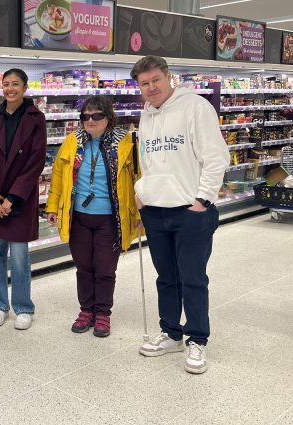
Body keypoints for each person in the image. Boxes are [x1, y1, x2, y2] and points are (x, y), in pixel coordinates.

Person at [131, 55, 229, 374]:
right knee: (166, 277)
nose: (151, 88)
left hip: (190, 211)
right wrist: (142, 194)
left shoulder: (196, 108)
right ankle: (171, 332)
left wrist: (202, 201)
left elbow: (216, 158)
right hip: (155, 209)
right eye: (144, 83)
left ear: (168, 77)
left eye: (155, 80)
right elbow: (148, 160)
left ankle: (197, 339)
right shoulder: (146, 115)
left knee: (193, 278)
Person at [46, 95, 141, 338]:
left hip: (110, 218)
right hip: (78, 216)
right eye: (85, 116)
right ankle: (86, 310)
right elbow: (59, 175)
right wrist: (53, 206)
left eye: (96, 115)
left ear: (109, 118)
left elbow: (138, 179)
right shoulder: (72, 141)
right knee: (84, 268)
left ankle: (103, 314)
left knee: (105, 269)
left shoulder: (126, 142)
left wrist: (141, 213)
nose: (90, 120)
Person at [0, 68, 47, 330]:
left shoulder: (36, 118)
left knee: (19, 256)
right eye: (6, 84)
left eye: (15, 84)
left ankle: (23, 307)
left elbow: (35, 161)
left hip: (20, 199)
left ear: (25, 87)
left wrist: (13, 198)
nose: (10, 89)